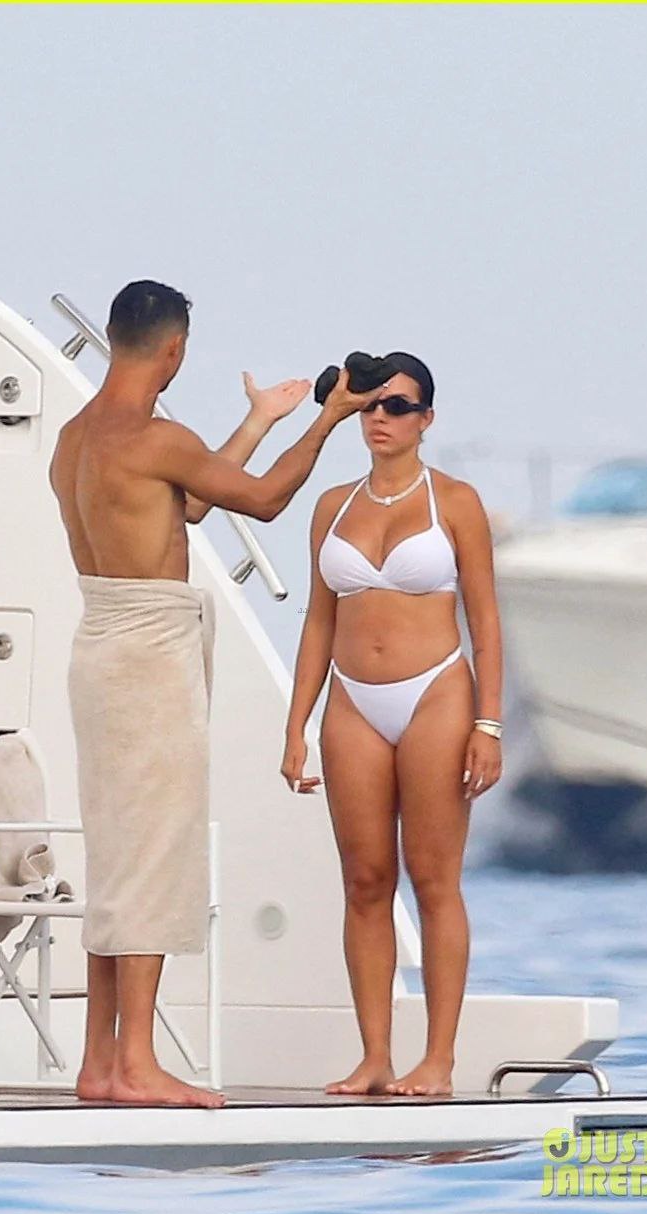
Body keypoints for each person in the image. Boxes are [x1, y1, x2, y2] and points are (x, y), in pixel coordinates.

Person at [49, 279, 381, 1108]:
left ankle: (100, 1062)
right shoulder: (156, 437)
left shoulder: (76, 437)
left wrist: (259, 421)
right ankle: (137, 1064)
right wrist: (326, 420)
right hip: (148, 656)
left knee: (118, 858)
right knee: (153, 856)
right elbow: (261, 503)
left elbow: (189, 503)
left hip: (100, 646)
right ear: (174, 349)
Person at [281, 352, 503, 1097]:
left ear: (425, 419)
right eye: (372, 405)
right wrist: (295, 726)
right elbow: (318, 621)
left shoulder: (456, 502)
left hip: (436, 692)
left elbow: (485, 622)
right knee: (364, 880)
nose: (381, 417)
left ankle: (437, 1060)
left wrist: (489, 724)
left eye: (398, 406)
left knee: (433, 879)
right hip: (351, 700)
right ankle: (375, 1056)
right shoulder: (331, 506)